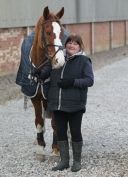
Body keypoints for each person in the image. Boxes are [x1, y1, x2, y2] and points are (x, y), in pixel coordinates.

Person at [47, 34, 94, 172]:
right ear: (65, 44)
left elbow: (89, 80)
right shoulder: (58, 59)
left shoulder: (84, 60)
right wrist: (40, 73)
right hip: (58, 104)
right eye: (69, 43)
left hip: (75, 105)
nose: (71, 45)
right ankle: (64, 161)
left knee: (75, 132)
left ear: (80, 46)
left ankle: (77, 161)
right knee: (60, 132)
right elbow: (49, 73)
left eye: (75, 43)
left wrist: (72, 82)